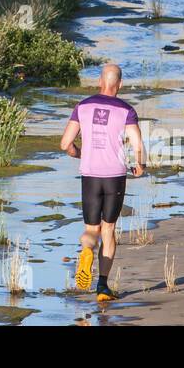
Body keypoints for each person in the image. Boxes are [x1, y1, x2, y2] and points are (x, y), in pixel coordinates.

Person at [60, 63, 145, 302]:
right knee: (108, 229)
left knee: (91, 229)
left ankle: (86, 251)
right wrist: (140, 165)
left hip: (90, 175)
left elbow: (65, 143)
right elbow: (138, 145)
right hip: (114, 176)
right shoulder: (126, 110)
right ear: (119, 84)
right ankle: (102, 288)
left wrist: (78, 153)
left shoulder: (83, 106)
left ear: (100, 82)